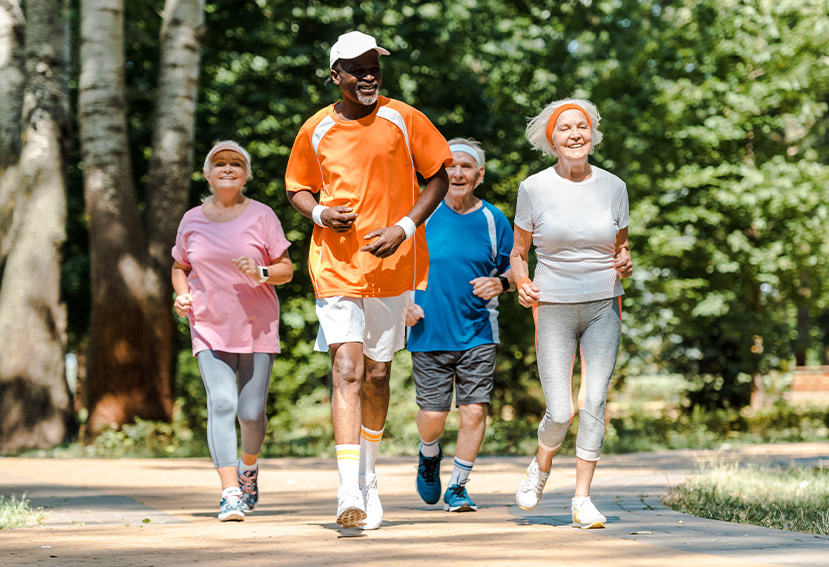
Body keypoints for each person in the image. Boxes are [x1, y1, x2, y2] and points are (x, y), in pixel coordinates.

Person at [284, 31, 451, 530]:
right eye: (357, 69)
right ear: (335, 75)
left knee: (378, 374)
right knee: (347, 370)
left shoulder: (404, 118)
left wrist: (404, 228)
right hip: (335, 265)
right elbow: (297, 187)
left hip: (392, 266)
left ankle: (370, 477)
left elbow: (439, 175)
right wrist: (318, 212)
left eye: (374, 68)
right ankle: (347, 490)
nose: (368, 76)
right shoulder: (316, 128)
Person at [510, 99, 633, 529]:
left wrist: (625, 261)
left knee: (594, 402)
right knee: (561, 412)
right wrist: (522, 282)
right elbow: (519, 253)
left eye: (582, 126)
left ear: (592, 135)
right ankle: (541, 466)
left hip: (603, 304)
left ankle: (582, 500)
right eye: (565, 128)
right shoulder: (534, 188)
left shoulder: (614, 187)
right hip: (554, 306)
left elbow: (621, 247)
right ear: (552, 140)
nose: (575, 134)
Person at [171, 140, 293, 522]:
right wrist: (182, 295)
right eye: (219, 163)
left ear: (246, 175)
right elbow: (180, 267)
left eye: (236, 164)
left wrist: (261, 272)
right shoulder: (192, 219)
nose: (227, 168)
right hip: (209, 325)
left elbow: (286, 270)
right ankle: (229, 493)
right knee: (222, 404)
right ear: (207, 175)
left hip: (257, 325)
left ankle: (248, 468)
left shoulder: (262, 215)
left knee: (251, 413)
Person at [405, 138, 514, 513]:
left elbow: (514, 268)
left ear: (479, 175)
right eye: (450, 166)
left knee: (474, 412)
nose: (457, 173)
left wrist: (500, 283)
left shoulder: (493, 219)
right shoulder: (422, 214)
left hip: (478, 331)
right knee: (433, 416)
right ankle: (429, 453)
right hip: (427, 331)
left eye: (466, 166)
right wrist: (402, 303)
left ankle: (458, 486)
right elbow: (394, 262)